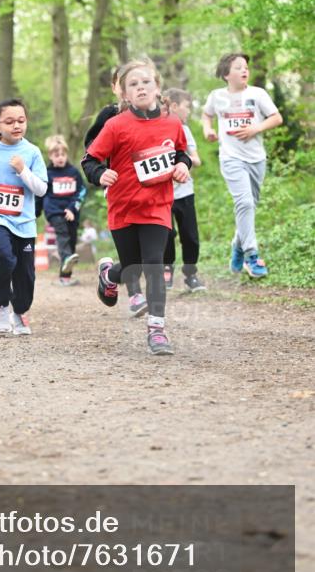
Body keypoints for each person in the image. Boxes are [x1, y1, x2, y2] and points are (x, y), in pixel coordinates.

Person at [83, 60, 191, 356]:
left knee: (154, 263)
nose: (141, 87)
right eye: (133, 84)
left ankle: (157, 330)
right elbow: (89, 160)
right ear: (124, 95)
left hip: (158, 206)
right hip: (123, 207)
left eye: (146, 82)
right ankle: (109, 275)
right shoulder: (116, 125)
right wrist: (99, 174)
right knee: (133, 266)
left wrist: (182, 166)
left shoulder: (172, 123)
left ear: (157, 87)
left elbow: (182, 153)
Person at [0, 99, 47, 336]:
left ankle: (19, 311)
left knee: (25, 273)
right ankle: (2, 305)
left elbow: (41, 189)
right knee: (3, 256)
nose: (16, 125)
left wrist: (23, 170)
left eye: (21, 121)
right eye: (10, 121)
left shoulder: (32, 152)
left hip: (24, 221)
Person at [202, 53, 282, 278]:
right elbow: (206, 115)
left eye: (246, 67)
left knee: (249, 206)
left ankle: (237, 245)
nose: (244, 70)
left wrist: (254, 129)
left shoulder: (257, 94)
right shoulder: (216, 96)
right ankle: (251, 255)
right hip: (231, 158)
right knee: (244, 202)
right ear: (226, 74)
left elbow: (276, 118)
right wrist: (208, 130)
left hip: (256, 158)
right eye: (238, 67)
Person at [83, 67, 147, 318]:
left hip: (151, 191)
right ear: (115, 87)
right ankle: (135, 294)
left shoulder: (151, 112)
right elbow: (90, 149)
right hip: (120, 187)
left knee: (149, 250)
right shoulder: (110, 115)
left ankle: (109, 274)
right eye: (125, 83)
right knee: (130, 248)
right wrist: (100, 172)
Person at [161, 89, 206, 293]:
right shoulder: (157, 129)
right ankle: (166, 269)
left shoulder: (185, 130)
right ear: (174, 106)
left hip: (185, 191)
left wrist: (182, 162)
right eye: (187, 106)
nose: (189, 111)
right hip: (163, 193)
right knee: (166, 234)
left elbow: (196, 159)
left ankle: (191, 275)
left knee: (190, 236)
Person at [43, 135, 86, 286]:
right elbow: (41, 193)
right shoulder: (47, 174)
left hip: (72, 212)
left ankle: (65, 277)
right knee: (63, 237)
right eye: (56, 155)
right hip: (54, 211)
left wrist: (72, 208)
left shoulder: (74, 172)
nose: (60, 158)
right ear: (50, 156)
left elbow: (81, 191)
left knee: (71, 241)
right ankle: (66, 257)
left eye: (63, 154)